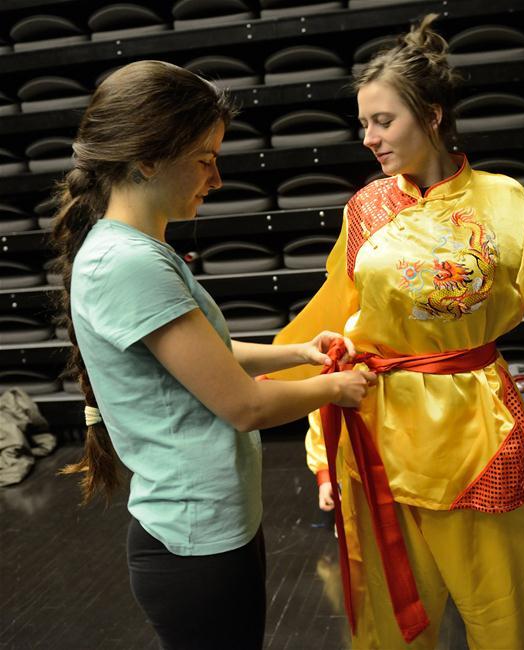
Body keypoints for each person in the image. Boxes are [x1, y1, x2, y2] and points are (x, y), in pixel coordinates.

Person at [266, 15, 524, 650]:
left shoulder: (506, 206)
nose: (369, 137)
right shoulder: (366, 207)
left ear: (431, 115)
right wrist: (265, 380)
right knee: (394, 611)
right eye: (364, 122)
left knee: (502, 613)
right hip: (379, 423)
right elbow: (331, 313)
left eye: (384, 120)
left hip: (474, 426)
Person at [52, 60, 375, 650]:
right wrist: (336, 388)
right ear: (147, 160)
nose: (217, 179)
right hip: (193, 545)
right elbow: (244, 406)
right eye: (204, 160)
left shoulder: (134, 250)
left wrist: (300, 353)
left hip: (209, 531)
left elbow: (209, 359)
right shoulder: (130, 263)